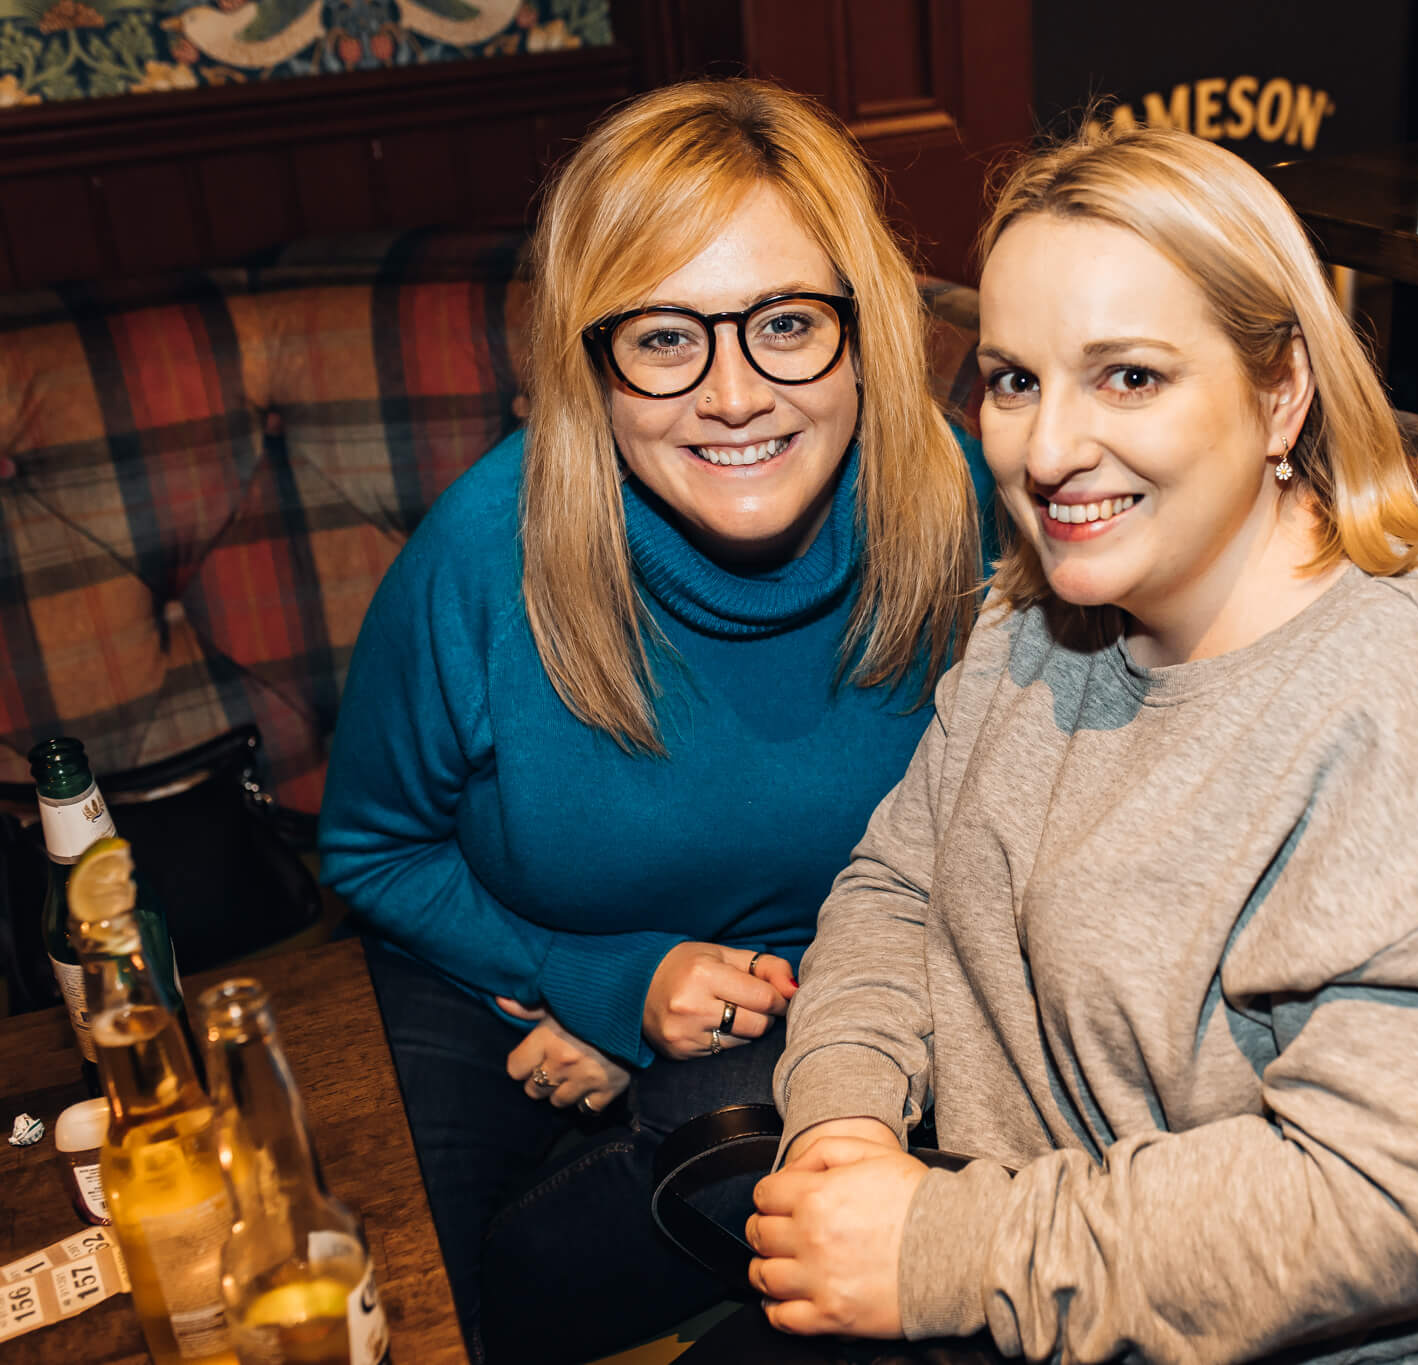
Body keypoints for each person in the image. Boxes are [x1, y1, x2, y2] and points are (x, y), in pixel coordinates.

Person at [748, 123, 1418, 1364]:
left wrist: (950, 1249)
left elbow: (1394, 1207)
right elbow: (899, 887)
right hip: (1050, 1305)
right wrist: (841, 1121)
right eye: (1015, 380)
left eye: (1128, 377)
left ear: (1280, 391)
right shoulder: (1034, 621)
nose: (1048, 450)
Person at [317, 79, 992, 1365]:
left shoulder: (955, 503)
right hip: (490, 965)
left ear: (865, 329)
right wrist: (608, 985)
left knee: (767, 1174)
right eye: (666, 337)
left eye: (787, 323)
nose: (734, 395)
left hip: (797, 1005)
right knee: (389, 1308)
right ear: (591, 360)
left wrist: (699, 1017)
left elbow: (992, 825)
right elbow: (371, 853)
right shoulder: (482, 552)